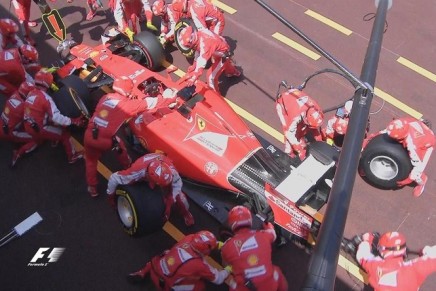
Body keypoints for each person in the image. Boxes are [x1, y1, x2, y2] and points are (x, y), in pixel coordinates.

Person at [84, 76, 175, 197]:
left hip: (89, 134)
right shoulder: (128, 105)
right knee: (119, 146)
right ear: (127, 90)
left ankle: (92, 188)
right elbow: (153, 103)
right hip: (105, 141)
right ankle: (128, 166)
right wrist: (171, 98)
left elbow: (108, 112)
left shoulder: (105, 97)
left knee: (91, 161)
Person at [106, 152, 195, 226]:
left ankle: (186, 213)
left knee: (181, 198)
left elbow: (178, 184)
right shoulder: (135, 172)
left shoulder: (171, 170)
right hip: (142, 170)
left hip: (157, 163)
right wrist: (111, 195)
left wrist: (170, 201)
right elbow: (114, 178)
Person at [127, 230, 230, 290]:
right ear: (205, 250)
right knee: (200, 285)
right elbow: (218, 279)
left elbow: (203, 243)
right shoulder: (200, 264)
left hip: (155, 268)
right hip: (165, 285)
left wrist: (218, 244)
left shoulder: (189, 238)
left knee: (166, 253)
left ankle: (142, 272)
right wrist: (229, 269)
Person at [23, 70, 85, 164]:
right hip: (39, 128)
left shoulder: (31, 92)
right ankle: (72, 156)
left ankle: (54, 139)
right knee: (64, 134)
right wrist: (73, 121)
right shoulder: (46, 99)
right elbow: (56, 117)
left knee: (54, 124)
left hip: (28, 123)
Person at [220, 205, 288, 291]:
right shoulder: (264, 235)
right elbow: (273, 234)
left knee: (233, 282)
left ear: (231, 224)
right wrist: (269, 226)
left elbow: (225, 264)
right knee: (276, 271)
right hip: (269, 286)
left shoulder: (227, 246)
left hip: (245, 287)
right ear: (250, 220)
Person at [372, 117, 435, 197]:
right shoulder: (399, 123)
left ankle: (422, 182)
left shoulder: (413, 146)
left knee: (417, 174)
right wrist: (370, 139)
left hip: (427, 143)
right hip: (415, 128)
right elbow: (382, 133)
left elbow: (418, 166)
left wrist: (407, 180)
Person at [356, 231, 436, 291]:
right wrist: (428, 251)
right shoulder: (416, 268)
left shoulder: (376, 265)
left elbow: (362, 256)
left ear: (383, 250)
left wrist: (367, 240)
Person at [178, 26, 241, 94]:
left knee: (210, 76)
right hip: (219, 48)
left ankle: (215, 95)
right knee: (223, 62)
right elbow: (198, 51)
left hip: (223, 54)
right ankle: (233, 71)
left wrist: (193, 78)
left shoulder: (205, 45)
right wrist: (194, 65)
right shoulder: (200, 34)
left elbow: (201, 62)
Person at [275, 87, 324, 160]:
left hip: (295, 100)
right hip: (283, 105)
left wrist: (319, 140)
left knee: (305, 129)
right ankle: (289, 154)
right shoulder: (296, 117)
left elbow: (314, 126)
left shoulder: (316, 108)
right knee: (289, 130)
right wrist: (299, 148)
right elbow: (289, 134)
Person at [0, 81, 38, 167]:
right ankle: (18, 154)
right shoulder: (24, 107)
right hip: (10, 132)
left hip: (2, 123)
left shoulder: (14, 94)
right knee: (36, 138)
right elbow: (32, 119)